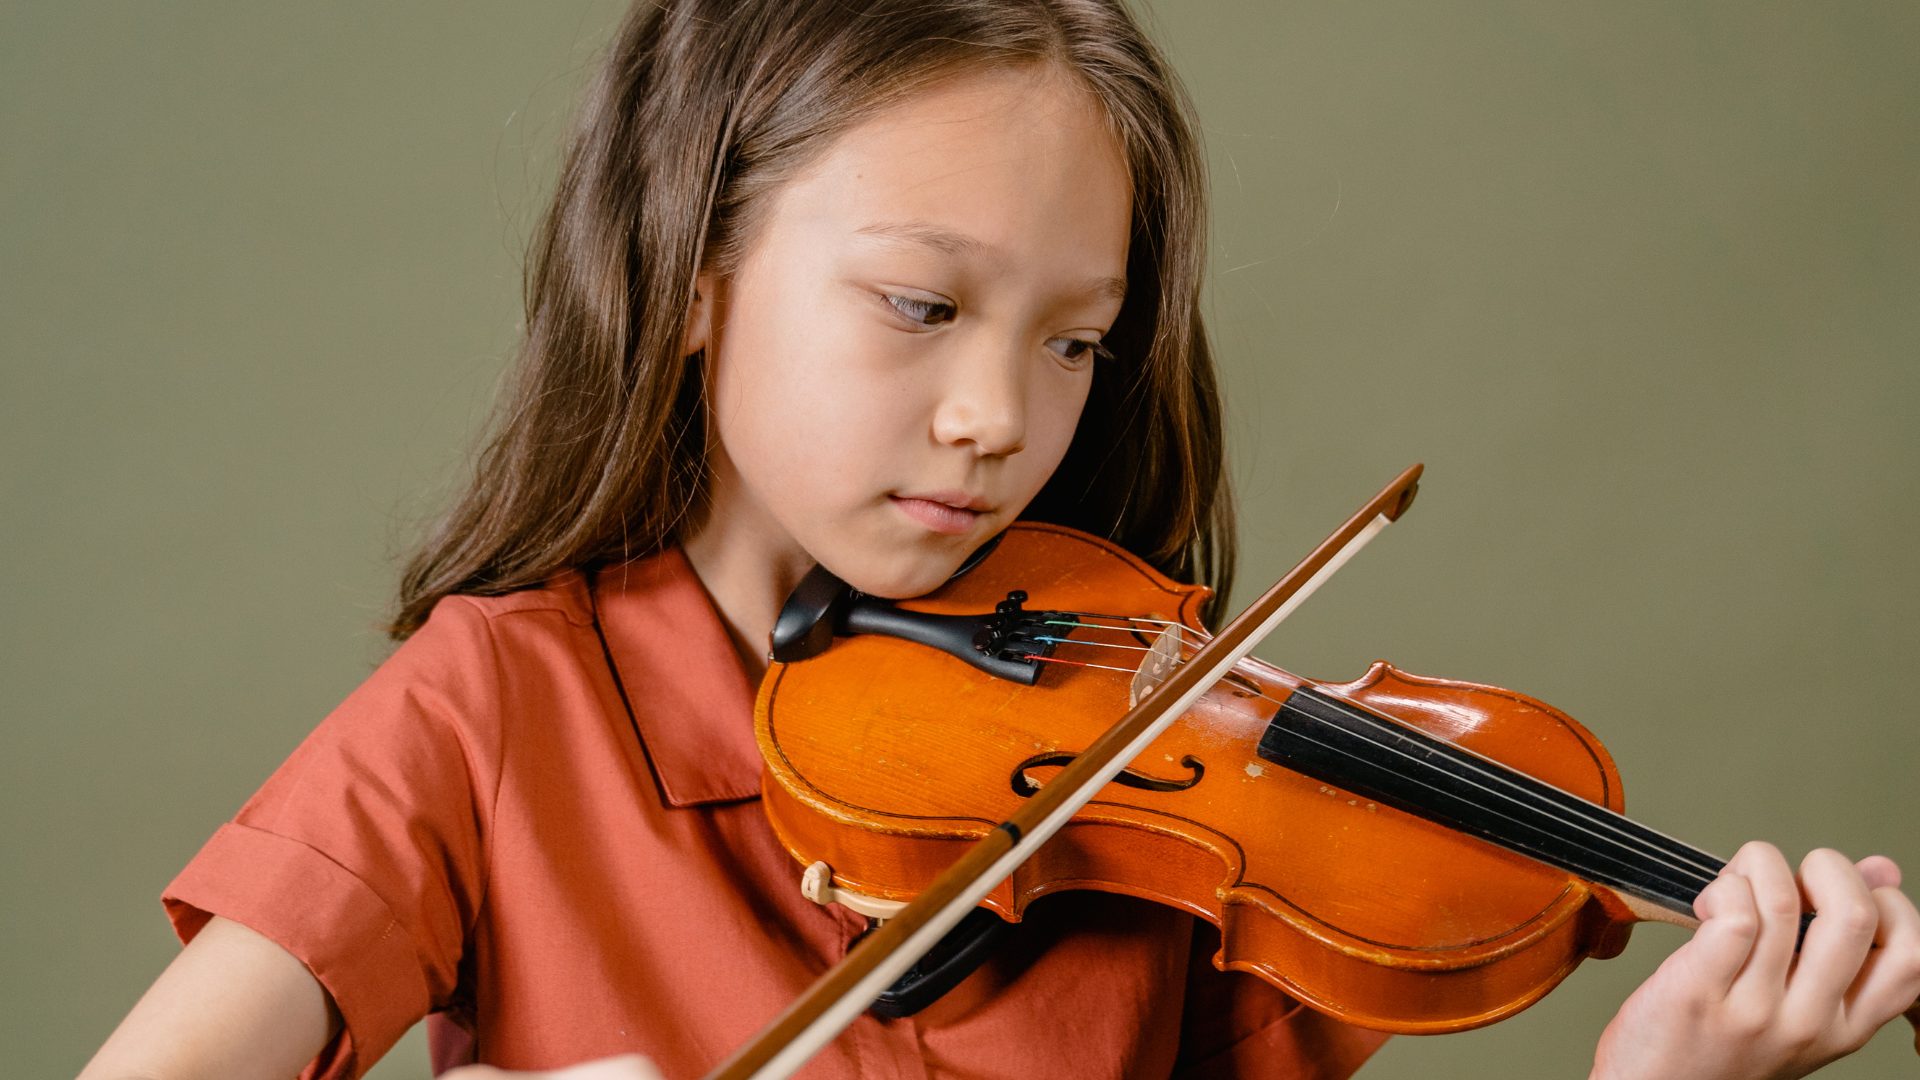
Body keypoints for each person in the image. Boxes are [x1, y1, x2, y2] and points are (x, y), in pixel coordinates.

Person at [76, 2, 1920, 1079]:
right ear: (697, 276)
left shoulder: (1169, 813)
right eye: (917, 305)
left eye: (1070, 338)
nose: (1000, 416)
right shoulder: (498, 709)